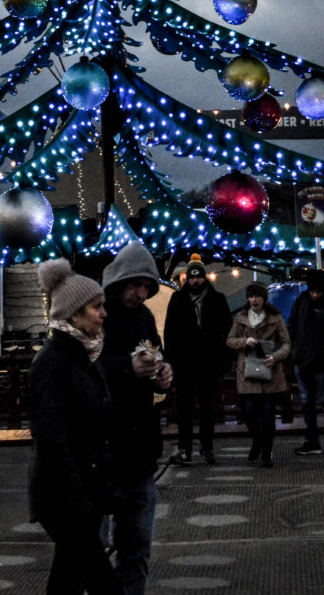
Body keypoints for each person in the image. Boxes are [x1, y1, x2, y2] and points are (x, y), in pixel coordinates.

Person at [28, 259, 121, 595]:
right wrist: (79, 496)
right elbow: (52, 437)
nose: (103, 314)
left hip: (84, 488)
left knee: (67, 577)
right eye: (96, 307)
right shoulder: (54, 362)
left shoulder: (82, 356)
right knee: (102, 581)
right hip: (66, 495)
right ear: (73, 314)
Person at [100, 241, 173, 595]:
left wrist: (163, 372)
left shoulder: (144, 316)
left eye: (146, 287)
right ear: (119, 281)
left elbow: (156, 351)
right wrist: (127, 367)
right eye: (135, 285)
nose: (141, 293)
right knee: (94, 550)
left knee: (138, 545)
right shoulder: (97, 313)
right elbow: (89, 370)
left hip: (141, 444)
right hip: (104, 444)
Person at [163, 255, 232, 464]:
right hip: (184, 364)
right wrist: (172, 360)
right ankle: (185, 448)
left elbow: (227, 331)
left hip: (209, 363)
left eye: (198, 277)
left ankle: (207, 446)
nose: (195, 281)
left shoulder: (217, 299)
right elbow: (170, 332)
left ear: (204, 278)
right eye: (191, 278)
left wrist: (223, 360)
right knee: (184, 409)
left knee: (208, 408)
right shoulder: (178, 299)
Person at [227, 282, 291, 467]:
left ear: (264, 298)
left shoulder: (275, 318)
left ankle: (266, 452)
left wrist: (276, 356)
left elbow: (286, 343)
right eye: (251, 296)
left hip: (269, 371)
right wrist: (244, 341)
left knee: (268, 415)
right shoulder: (240, 318)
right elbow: (230, 340)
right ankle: (257, 440)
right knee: (249, 413)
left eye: (257, 296)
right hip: (248, 371)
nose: (254, 300)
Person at [287, 272, 324, 456]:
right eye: (312, 291)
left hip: (317, 359)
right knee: (311, 400)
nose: (314, 295)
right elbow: (292, 324)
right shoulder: (303, 302)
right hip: (304, 356)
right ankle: (314, 439)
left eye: (317, 292)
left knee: (320, 398)